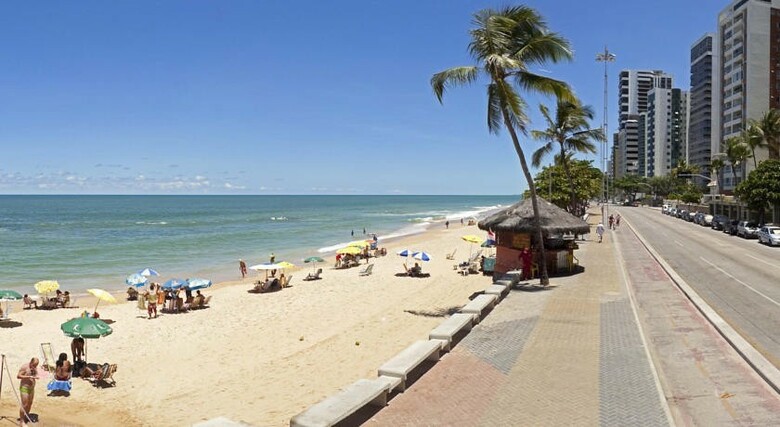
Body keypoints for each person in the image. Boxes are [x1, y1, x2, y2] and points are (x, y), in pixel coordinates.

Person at [17, 358, 38, 426]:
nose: (35, 367)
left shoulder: (34, 368)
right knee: (24, 405)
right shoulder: (25, 367)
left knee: (30, 403)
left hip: (31, 388)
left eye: (36, 365)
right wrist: (28, 376)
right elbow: (18, 376)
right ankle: (21, 421)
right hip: (24, 387)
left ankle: (26, 416)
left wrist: (36, 376)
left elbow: (36, 374)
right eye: (34, 365)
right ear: (31, 362)